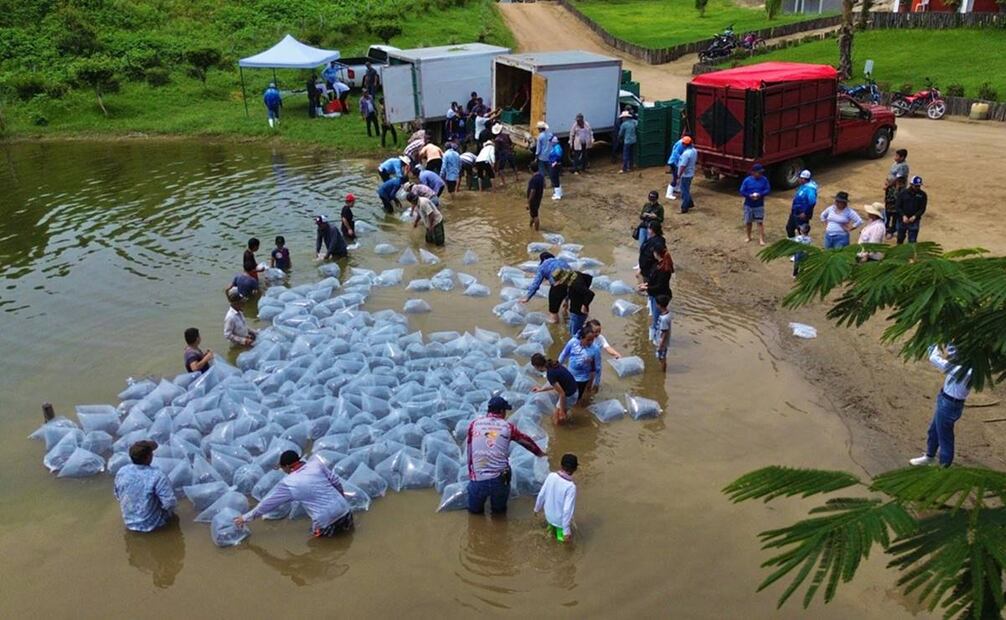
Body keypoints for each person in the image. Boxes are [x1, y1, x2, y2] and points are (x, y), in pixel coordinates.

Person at [235, 451, 354, 537]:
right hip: (345, 509)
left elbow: (268, 504)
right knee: (348, 536)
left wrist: (245, 518)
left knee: (319, 547)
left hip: (326, 521)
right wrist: (340, 498)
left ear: (287, 466)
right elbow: (336, 482)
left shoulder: (288, 483)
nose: (282, 470)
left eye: (282, 468)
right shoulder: (316, 464)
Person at [466, 396, 546, 514]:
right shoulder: (508, 427)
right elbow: (526, 442)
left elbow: (469, 450)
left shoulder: (474, 424)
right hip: (499, 479)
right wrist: (540, 454)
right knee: (499, 513)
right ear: (502, 411)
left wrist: (472, 474)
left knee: (474, 513)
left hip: (478, 479)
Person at [910, 345, 972, 467]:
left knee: (945, 437)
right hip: (945, 399)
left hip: (949, 405)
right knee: (934, 431)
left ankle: (944, 468)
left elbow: (934, 359)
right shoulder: (967, 367)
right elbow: (954, 353)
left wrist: (933, 344)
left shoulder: (963, 371)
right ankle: (929, 457)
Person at [114, 440, 176, 532]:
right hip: (153, 525)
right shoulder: (157, 475)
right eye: (151, 453)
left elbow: (117, 495)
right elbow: (169, 503)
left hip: (129, 523)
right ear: (148, 457)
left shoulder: (122, 471)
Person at [534, 453, 578, 543]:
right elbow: (567, 510)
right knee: (562, 542)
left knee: (549, 534)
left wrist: (537, 508)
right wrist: (566, 530)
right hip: (560, 522)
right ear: (575, 469)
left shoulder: (551, 476)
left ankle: (548, 535)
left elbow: (541, 494)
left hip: (548, 516)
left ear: (560, 465)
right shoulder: (571, 487)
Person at [521, 252, 573, 324]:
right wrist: (567, 300)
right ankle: (565, 309)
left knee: (553, 314)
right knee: (565, 304)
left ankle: (555, 329)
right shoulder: (562, 262)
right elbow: (569, 278)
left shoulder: (543, 266)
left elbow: (536, 284)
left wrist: (527, 297)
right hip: (572, 285)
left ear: (543, 259)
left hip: (558, 287)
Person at [530, 353, 579, 425]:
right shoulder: (553, 364)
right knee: (556, 414)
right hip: (573, 390)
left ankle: (559, 433)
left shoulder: (550, 374)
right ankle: (563, 423)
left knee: (557, 419)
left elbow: (562, 394)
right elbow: (557, 385)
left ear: (538, 367)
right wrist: (541, 389)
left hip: (570, 395)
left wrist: (561, 411)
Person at [639, 246, 673, 345]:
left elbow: (660, 285)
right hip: (657, 294)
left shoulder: (664, 269)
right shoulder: (659, 265)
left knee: (657, 319)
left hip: (660, 296)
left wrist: (647, 288)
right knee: (656, 318)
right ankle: (654, 339)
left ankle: (656, 341)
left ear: (657, 253)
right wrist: (646, 285)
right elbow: (654, 281)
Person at [558, 325, 603, 399]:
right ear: (581, 338)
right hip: (570, 375)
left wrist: (596, 383)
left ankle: (577, 406)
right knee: (566, 394)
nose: (590, 342)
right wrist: (557, 366)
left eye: (592, 340)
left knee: (577, 397)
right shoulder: (573, 342)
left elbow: (598, 367)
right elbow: (564, 354)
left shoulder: (595, 349)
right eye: (588, 340)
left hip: (583, 379)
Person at [739, 163, 771, 245]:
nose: (760, 174)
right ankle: (748, 236)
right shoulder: (747, 180)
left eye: (761, 173)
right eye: (758, 172)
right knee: (748, 222)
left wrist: (760, 194)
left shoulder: (764, 180)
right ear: (753, 172)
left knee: (759, 222)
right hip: (748, 204)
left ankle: (761, 239)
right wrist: (749, 196)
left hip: (759, 204)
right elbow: (742, 191)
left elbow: (768, 189)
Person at [895, 176, 928, 245]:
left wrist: (915, 216)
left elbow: (922, 208)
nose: (917, 187)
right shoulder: (903, 193)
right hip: (902, 220)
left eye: (919, 186)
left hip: (914, 221)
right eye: (916, 186)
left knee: (912, 240)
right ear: (911, 184)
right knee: (900, 238)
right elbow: (898, 206)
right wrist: (903, 215)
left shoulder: (922, 195)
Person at [786, 169, 818, 238]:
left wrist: (805, 213)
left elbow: (812, 202)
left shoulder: (810, 189)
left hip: (802, 214)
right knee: (789, 228)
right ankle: (792, 242)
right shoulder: (803, 186)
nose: (798, 179)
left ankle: (803, 244)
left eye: (799, 178)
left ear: (803, 179)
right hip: (795, 212)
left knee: (802, 231)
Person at [567, 272, 594, 338]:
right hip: (574, 310)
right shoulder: (575, 275)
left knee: (575, 335)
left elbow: (590, 294)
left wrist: (584, 305)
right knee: (572, 331)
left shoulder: (576, 284)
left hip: (578, 313)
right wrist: (566, 301)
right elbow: (589, 278)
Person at [665, 133, 690, 199]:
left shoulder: (682, 142)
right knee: (676, 177)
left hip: (676, 162)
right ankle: (668, 194)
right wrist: (682, 158)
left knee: (678, 177)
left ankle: (676, 189)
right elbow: (676, 153)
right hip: (674, 162)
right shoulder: (680, 144)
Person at [677, 137, 697, 213]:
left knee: (684, 191)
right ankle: (690, 203)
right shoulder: (694, 151)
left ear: (685, 144)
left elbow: (683, 166)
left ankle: (684, 208)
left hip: (685, 175)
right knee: (686, 189)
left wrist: (678, 175)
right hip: (691, 173)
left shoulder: (686, 154)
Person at [884, 174, 907, 239]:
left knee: (894, 222)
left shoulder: (902, 190)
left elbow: (899, 199)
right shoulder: (889, 188)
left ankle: (891, 232)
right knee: (887, 220)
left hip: (895, 209)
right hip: (888, 207)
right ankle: (885, 230)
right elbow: (888, 198)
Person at [654, 294, 672, 372]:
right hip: (661, 341)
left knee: (661, 357)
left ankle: (663, 371)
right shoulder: (667, 314)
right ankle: (663, 369)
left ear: (659, 305)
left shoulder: (664, 319)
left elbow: (664, 333)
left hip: (662, 343)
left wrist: (660, 345)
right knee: (661, 357)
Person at [526, 161, 545, 231]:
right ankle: (530, 227)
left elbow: (532, 191)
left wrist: (528, 202)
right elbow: (544, 185)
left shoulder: (533, 179)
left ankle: (537, 231)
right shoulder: (541, 176)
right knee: (532, 214)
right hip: (538, 198)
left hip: (533, 199)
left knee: (535, 216)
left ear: (531, 169)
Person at [547, 136, 563, 200]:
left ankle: (558, 195)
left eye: (551, 142)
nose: (550, 143)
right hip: (553, 164)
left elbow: (559, 155)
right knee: (555, 178)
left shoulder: (557, 147)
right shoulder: (554, 147)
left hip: (555, 165)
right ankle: (558, 192)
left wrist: (555, 162)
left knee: (555, 178)